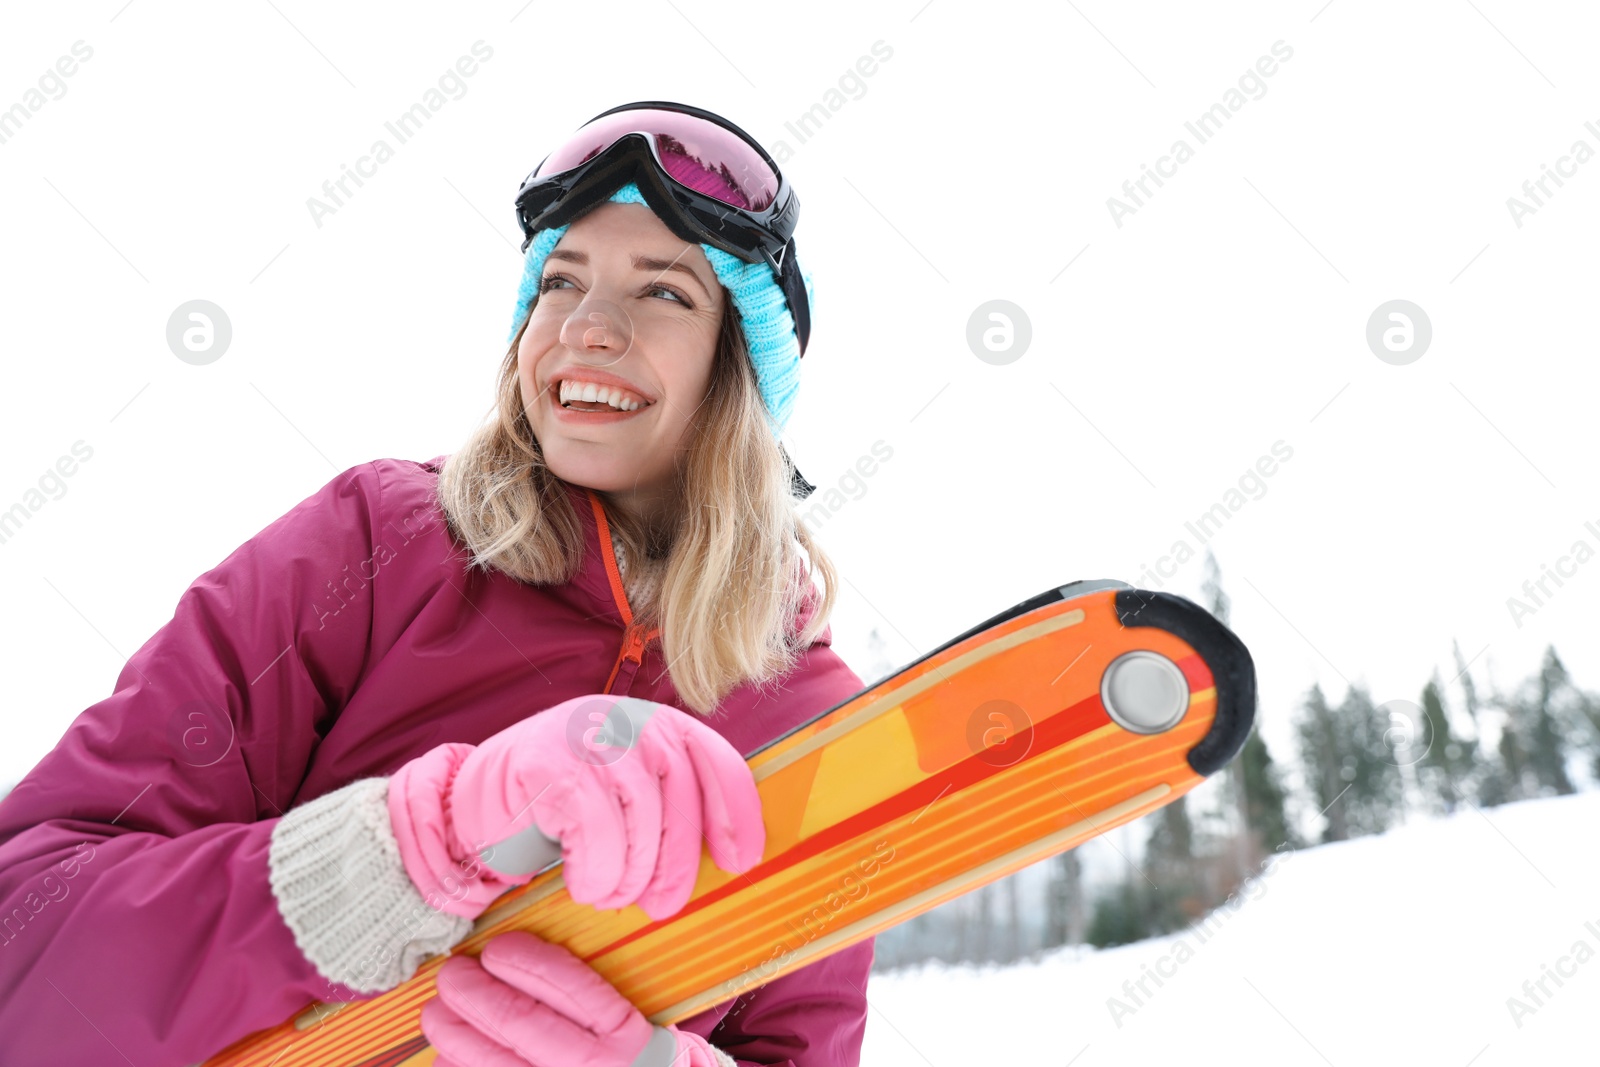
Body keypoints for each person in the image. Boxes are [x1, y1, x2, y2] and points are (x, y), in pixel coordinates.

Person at [0, 101, 875, 1067]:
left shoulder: (812, 719)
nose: (586, 325)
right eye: (560, 282)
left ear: (739, 370)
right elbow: (24, 951)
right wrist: (416, 844)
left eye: (662, 293)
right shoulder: (377, 547)